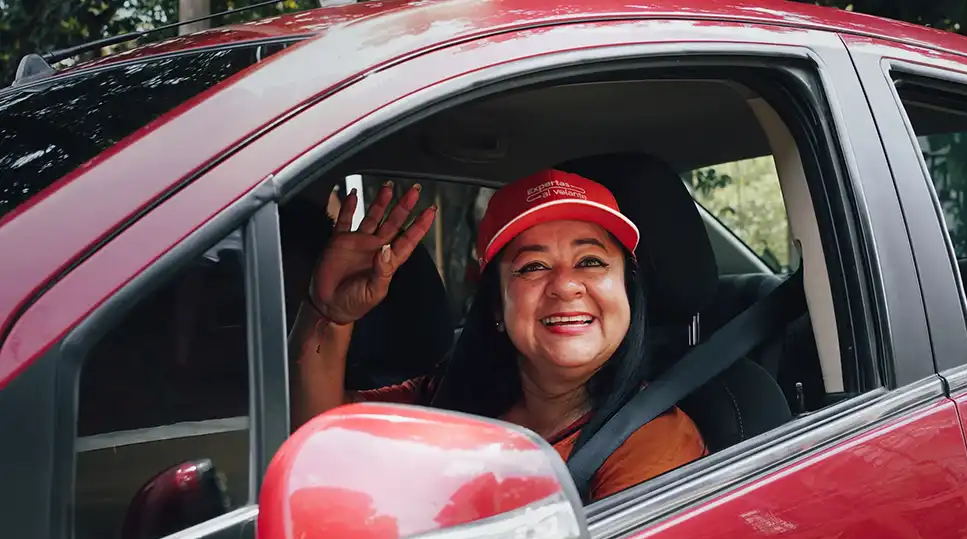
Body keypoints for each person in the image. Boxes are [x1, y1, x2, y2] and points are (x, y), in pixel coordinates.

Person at [288, 169, 707, 502]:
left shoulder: (652, 441)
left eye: (592, 261)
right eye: (533, 267)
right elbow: (324, 445)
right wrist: (328, 315)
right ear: (497, 308)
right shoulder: (447, 396)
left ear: (626, 293)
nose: (566, 285)